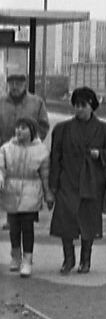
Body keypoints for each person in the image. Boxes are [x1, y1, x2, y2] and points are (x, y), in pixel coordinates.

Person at [49, 87, 106, 274]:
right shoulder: (62, 130)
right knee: (65, 221)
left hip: (92, 183)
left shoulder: (105, 130)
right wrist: (53, 186)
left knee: (88, 223)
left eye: (83, 105)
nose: (79, 109)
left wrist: (101, 155)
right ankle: (68, 259)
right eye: (76, 105)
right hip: (68, 181)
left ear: (92, 106)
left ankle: (85, 260)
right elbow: (55, 158)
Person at [0, 117, 52, 278]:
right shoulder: (6, 148)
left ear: (32, 130)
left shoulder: (41, 150)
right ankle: (16, 255)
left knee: (27, 227)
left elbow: (45, 175)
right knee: (14, 227)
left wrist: (48, 194)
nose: (19, 131)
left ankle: (28, 260)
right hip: (11, 191)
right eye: (17, 128)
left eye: (23, 128)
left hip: (31, 191)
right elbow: (1, 167)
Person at [0, 65, 50, 231]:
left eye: (18, 82)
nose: (14, 86)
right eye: (11, 82)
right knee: (6, 183)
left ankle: (25, 217)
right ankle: (9, 216)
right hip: (5, 151)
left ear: (25, 83)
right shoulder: (1, 102)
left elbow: (43, 125)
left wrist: (34, 142)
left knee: (26, 184)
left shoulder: (36, 103)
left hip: (29, 152)